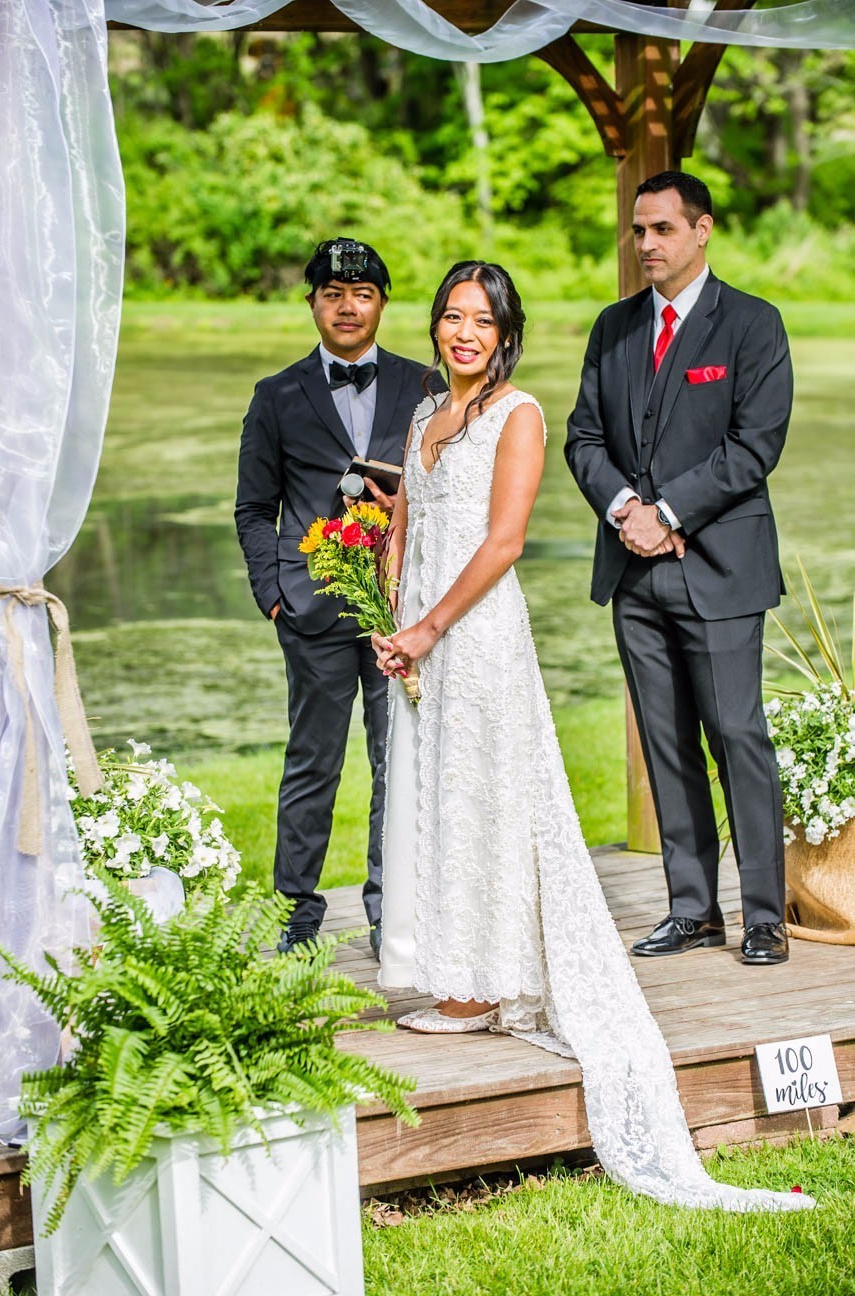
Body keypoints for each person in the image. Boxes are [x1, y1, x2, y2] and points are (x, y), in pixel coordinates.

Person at [370, 259, 812, 1212]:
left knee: (505, 793)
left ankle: (741, 919)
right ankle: (466, 973)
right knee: (444, 795)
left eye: (481, 321)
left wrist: (431, 625)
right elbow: (407, 518)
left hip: (476, 632)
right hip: (422, 630)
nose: (463, 333)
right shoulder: (423, 415)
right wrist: (387, 606)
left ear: (505, 333)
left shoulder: (516, 414)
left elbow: (503, 542)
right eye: (451, 317)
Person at [567, 171, 792, 967]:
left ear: (702, 230)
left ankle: (763, 915)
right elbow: (583, 438)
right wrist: (626, 508)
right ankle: (693, 909)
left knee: (737, 736)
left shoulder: (753, 324)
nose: (647, 244)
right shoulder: (614, 327)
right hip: (634, 574)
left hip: (720, 569)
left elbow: (754, 447)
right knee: (666, 744)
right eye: (639, 230)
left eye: (662, 228)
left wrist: (666, 514)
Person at [235, 238, 440, 956]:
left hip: (399, 610)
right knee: (312, 762)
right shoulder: (277, 395)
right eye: (332, 294)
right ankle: (296, 909)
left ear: (382, 303)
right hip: (312, 609)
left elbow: (448, 492)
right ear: (313, 303)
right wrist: (273, 592)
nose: (347, 306)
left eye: (362, 294)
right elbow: (253, 509)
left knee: (398, 761)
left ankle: (393, 911)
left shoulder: (427, 387)